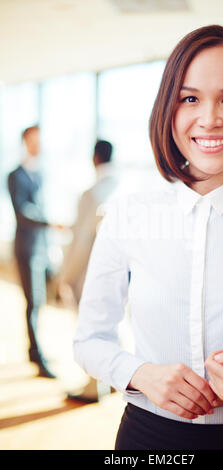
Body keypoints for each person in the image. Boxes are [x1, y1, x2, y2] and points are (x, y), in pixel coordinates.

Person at [73, 25, 223, 450]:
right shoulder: (128, 215)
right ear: (169, 109)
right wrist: (141, 373)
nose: (209, 118)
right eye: (190, 98)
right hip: (147, 439)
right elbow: (89, 341)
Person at [59, 140, 118, 402]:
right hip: (122, 271)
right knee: (114, 324)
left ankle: (95, 385)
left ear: (95, 158)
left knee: (92, 329)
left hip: (92, 272)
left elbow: (81, 242)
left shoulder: (91, 193)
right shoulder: (122, 188)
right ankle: (114, 378)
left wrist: (66, 276)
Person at [8, 125, 58, 378]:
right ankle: (36, 353)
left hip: (42, 246)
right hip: (26, 247)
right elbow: (22, 211)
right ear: (25, 142)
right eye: (34, 140)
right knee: (33, 301)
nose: (38, 145)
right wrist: (50, 223)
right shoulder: (15, 175)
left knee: (43, 300)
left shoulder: (40, 173)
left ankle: (35, 350)